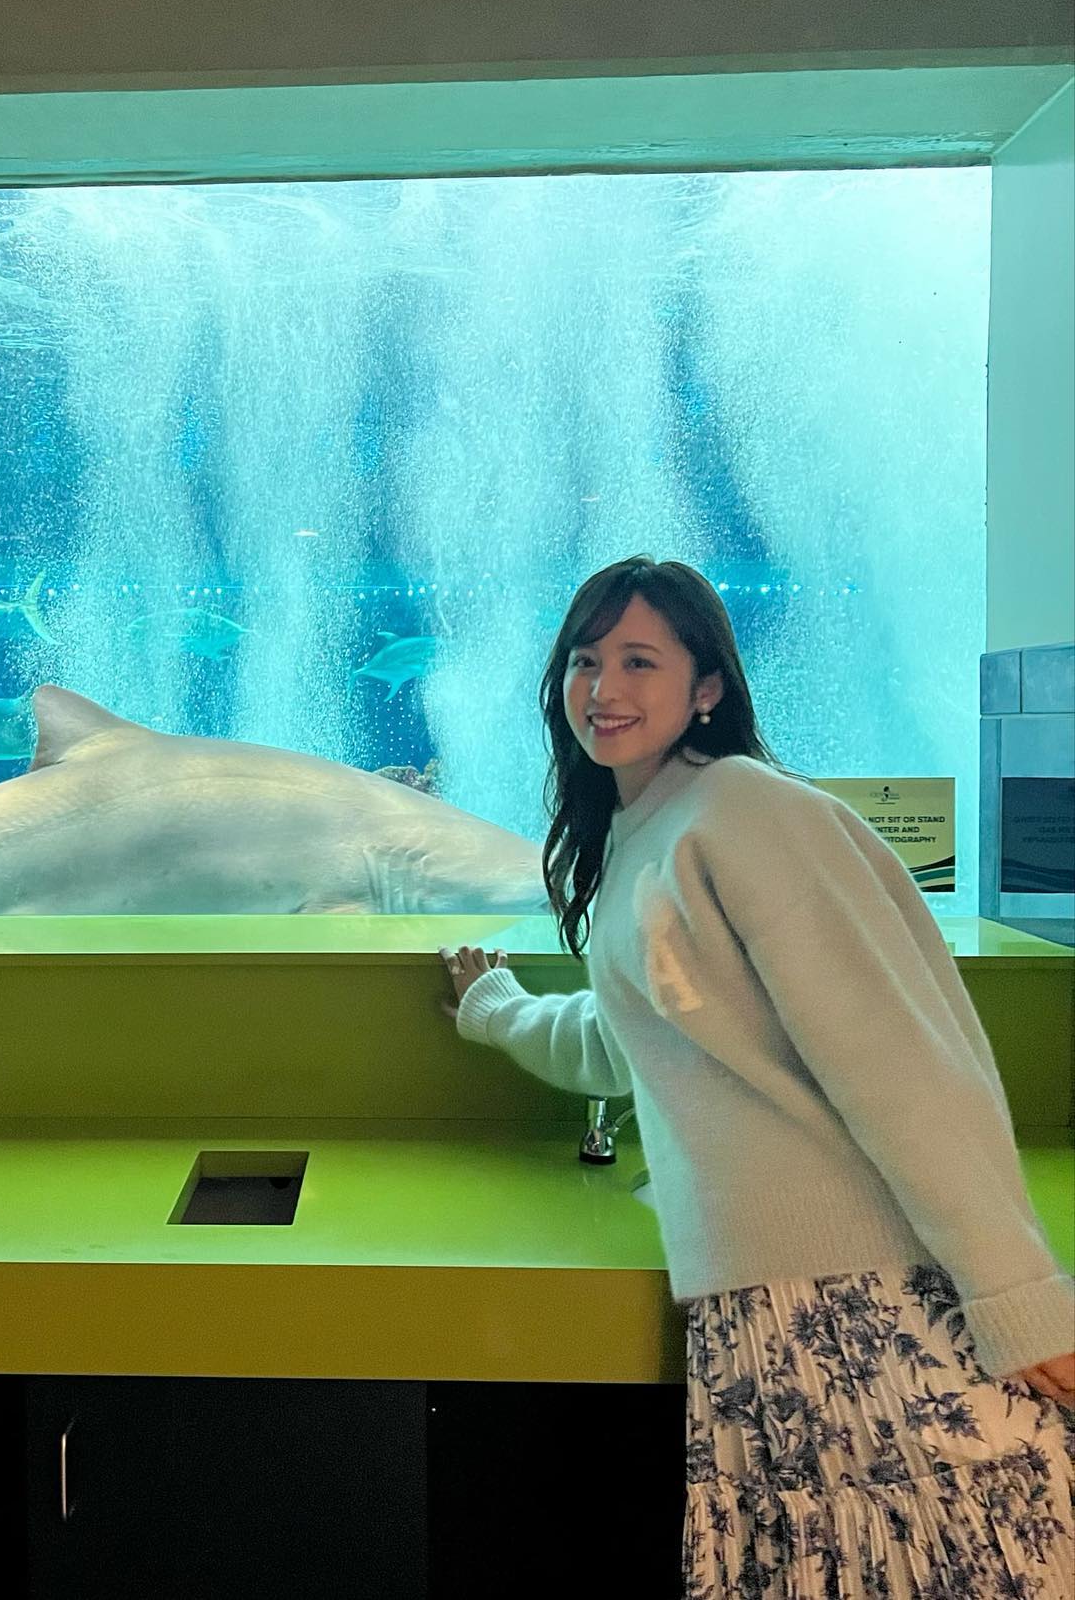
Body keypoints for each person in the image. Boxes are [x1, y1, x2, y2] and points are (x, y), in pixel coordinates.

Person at [439, 555, 1074, 1598]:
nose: (603, 688)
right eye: (585, 660)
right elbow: (629, 1039)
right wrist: (494, 1006)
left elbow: (903, 1065)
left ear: (708, 686)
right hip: (760, 1319)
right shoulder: (651, 836)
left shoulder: (745, 811)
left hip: (860, 1306)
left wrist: (1020, 1296)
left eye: (640, 659)